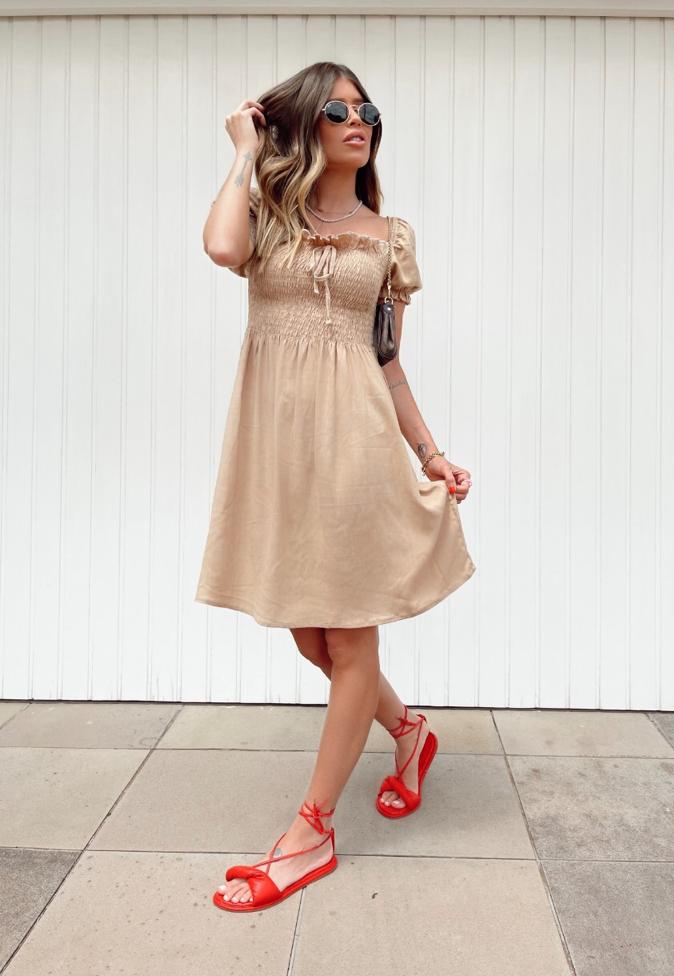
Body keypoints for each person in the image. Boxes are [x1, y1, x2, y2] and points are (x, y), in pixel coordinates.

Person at [197, 61, 476, 912]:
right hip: (277, 455)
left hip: (356, 449)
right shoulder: (266, 214)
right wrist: (244, 153)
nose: (359, 121)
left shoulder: (390, 236)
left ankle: (311, 830)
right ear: (303, 126)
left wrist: (429, 453)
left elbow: (387, 362)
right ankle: (410, 732)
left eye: (367, 110)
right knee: (311, 639)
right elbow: (222, 248)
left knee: (350, 644)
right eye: (338, 110)